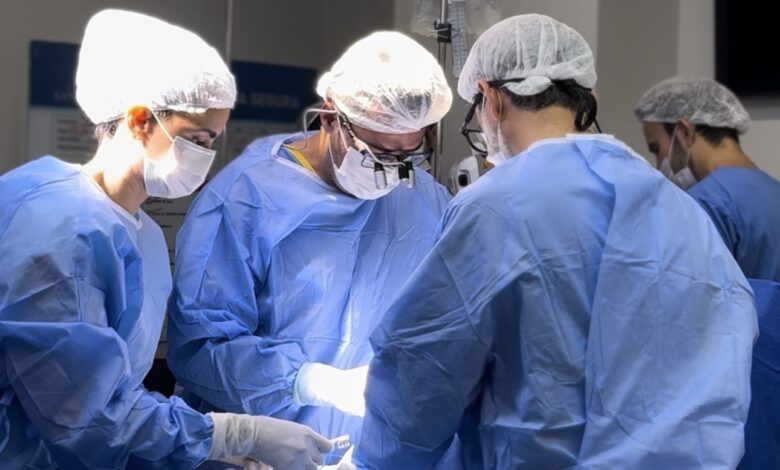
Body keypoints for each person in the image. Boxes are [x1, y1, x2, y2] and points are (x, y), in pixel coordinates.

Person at [353, 14, 757, 469]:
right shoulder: (682, 211)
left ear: (490, 98)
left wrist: (375, 460)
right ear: (588, 98)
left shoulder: (495, 207)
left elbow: (421, 377)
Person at [0, 10, 329, 469]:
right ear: (140, 120)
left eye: (212, 141)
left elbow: (118, 396)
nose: (206, 157)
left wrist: (206, 449)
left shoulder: (142, 233)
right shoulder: (59, 230)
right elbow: (83, 415)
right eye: (196, 138)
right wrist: (232, 433)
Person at [166, 31, 452, 465]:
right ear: (330, 118)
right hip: (260, 456)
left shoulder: (426, 200)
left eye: (406, 156)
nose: (390, 172)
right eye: (376, 153)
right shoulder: (244, 199)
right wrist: (312, 383)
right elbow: (199, 349)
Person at [635, 77, 780, 282]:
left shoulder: (706, 203)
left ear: (684, 132)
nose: (658, 166)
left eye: (656, 149)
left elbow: (690, 293)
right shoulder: (773, 190)